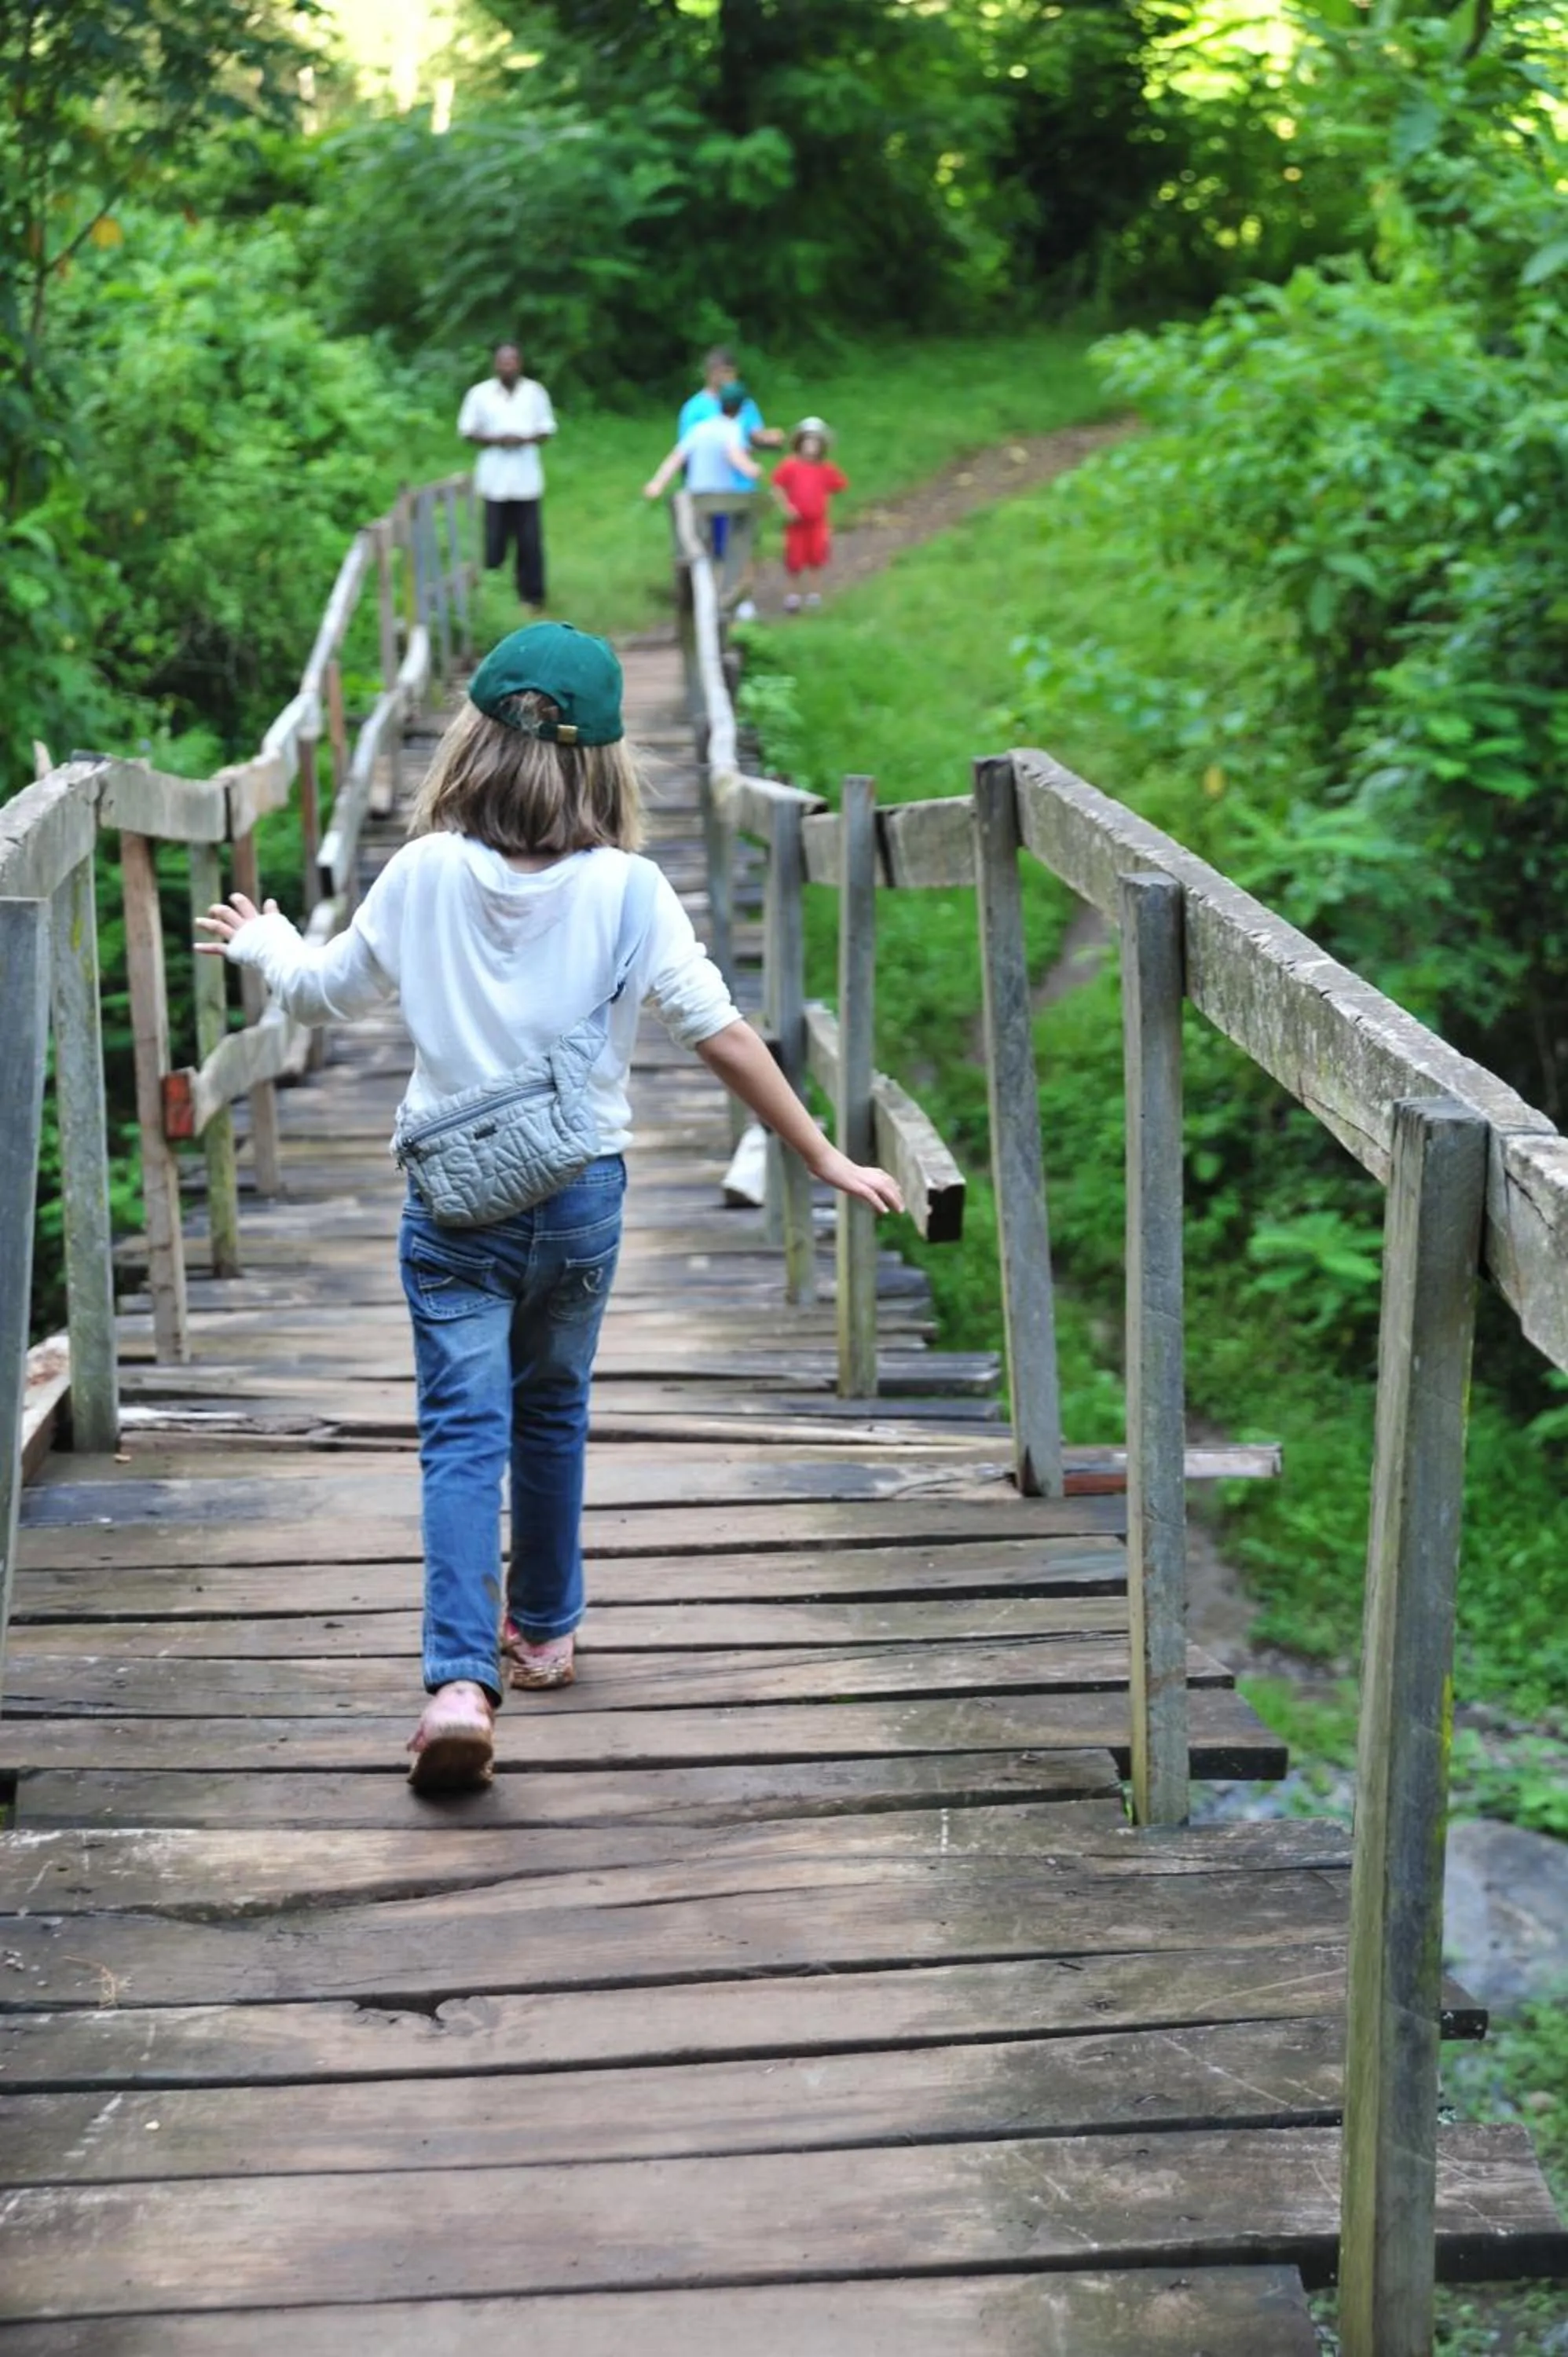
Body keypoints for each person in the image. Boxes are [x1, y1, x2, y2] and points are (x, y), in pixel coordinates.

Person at [196, 621, 903, 1795]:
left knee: (462, 1430)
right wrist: (820, 1152)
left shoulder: (421, 871)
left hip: (454, 1206)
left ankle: (461, 1682)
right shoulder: (631, 891)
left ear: (471, 744)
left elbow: (324, 1001)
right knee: (555, 1405)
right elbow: (718, 1031)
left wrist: (269, 942)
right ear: (605, 764)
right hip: (580, 1198)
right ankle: (549, 1628)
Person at [458, 343, 557, 610]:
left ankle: (532, 596)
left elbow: (547, 429)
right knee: (494, 540)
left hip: (526, 478)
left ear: (520, 364)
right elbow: (467, 431)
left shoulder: (534, 393)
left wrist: (523, 439)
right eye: (503, 362)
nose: (508, 367)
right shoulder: (480, 394)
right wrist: (496, 440)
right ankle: (495, 595)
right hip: (494, 479)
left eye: (512, 362)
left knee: (529, 541)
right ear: (496, 365)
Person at [643, 380, 761, 561]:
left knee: (693, 528)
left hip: (695, 493)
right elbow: (734, 454)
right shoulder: (732, 429)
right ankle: (716, 566)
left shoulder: (700, 429)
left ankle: (696, 556)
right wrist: (751, 469)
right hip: (720, 497)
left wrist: (657, 483)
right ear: (740, 409)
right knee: (721, 544)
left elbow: (676, 457)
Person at [771, 417, 849, 613]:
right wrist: (787, 508)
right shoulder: (790, 465)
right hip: (796, 522)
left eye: (816, 442)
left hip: (817, 522)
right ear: (799, 443)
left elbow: (839, 484)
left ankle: (814, 594)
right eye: (807, 441)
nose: (811, 446)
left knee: (816, 557)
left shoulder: (825, 468)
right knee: (794, 559)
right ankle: (793, 596)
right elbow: (777, 486)